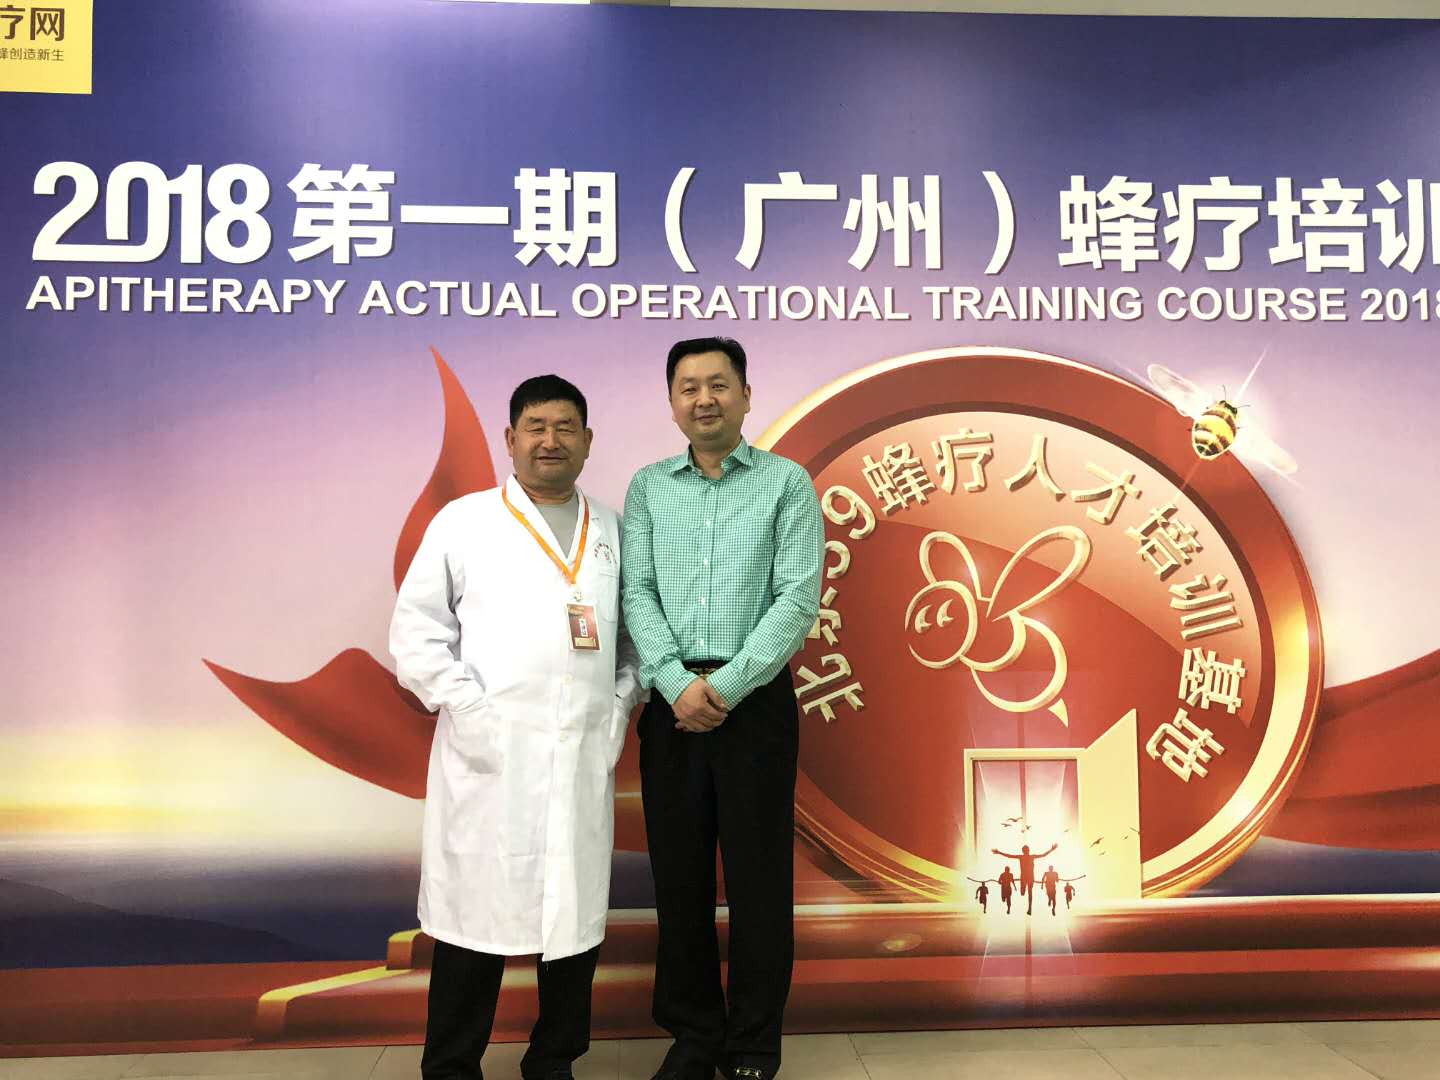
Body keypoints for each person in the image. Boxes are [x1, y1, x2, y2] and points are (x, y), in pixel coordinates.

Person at [391, 375, 643, 1080]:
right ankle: (451, 1066)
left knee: (573, 921)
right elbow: (415, 634)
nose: (550, 441)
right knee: (474, 919)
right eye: (536, 427)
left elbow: (634, 640)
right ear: (510, 439)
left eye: (566, 428)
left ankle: (554, 1061)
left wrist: (618, 704)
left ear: (588, 441)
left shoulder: (613, 530)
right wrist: (469, 709)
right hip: (491, 759)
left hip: (580, 752)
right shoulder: (464, 522)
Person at [621, 337, 824, 1080]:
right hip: (671, 708)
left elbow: (796, 598)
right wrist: (676, 683)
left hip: (756, 707)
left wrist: (727, 687)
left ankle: (753, 1045)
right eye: (688, 387)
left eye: (718, 384)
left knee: (758, 880)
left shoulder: (786, 484)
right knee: (679, 881)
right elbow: (636, 592)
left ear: (745, 394)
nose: (703, 399)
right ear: (671, 401)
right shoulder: (648, 488)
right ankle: (694, 1035)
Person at [991, 842, 1058, 916]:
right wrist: (999, 852)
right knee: (1023, 893)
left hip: (1029, 877)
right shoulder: (1024, 857)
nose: (1026, 852)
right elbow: (1009, 856)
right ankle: (1028, 905)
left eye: (1026, 850)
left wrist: (1051, 849)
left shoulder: (1028, 857)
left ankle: (1030, 908)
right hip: (1025, 877)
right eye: (1025, 850)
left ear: (1026, 851)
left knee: (1029, 892)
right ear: (1025, 851)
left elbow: (1043, 855)